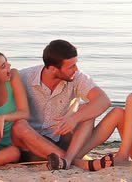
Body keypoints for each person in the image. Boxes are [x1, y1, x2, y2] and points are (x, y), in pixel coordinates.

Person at [10, 39, 112, 171]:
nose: (76, 69)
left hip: (62, 140)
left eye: (75, 64)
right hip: (31, 144)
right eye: (71, 66)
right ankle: (76, 162)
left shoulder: (77, 78)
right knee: (19, 125)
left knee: (88, 110)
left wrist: (74, 118)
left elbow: (104, 100)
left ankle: (66, 160)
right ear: (52, 69)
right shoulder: (24, 78)